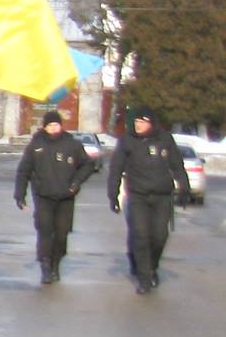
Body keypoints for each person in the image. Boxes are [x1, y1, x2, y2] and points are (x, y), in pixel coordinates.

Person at [104, 107, 190, 294]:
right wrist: (113, 195)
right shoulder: (127, 141)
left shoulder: (165, 139)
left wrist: (184, 187)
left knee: (159, 236)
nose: (138, 125)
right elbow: (116, 169)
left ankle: (152, 267)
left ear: (151, 123)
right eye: (136, 122)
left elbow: (177, 165)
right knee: (141, 236)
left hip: (162, 196)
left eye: (142, 122)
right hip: (138, 196)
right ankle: (144, 278)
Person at [13, 111, 96, 285]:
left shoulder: (71, 145)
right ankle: (45, 267)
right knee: (45, 232)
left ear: (61, 125)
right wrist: (20, 195)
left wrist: (76, 183)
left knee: (61, 235)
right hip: (43, 196)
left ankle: (56, 264)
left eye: (56, 125)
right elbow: (24, 171)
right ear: (45, 127)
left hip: (66, 197)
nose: (53, 128)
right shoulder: (36, 146)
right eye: (50, 125)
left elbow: (88, 164)